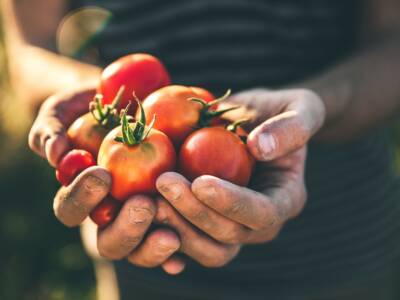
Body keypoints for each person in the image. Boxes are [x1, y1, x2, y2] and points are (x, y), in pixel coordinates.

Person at [3, 0, 400, 299]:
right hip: (143, 260)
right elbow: (29, 51)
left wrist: (318, 106)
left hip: (345, 246)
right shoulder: (142, 132)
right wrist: (97, 102)